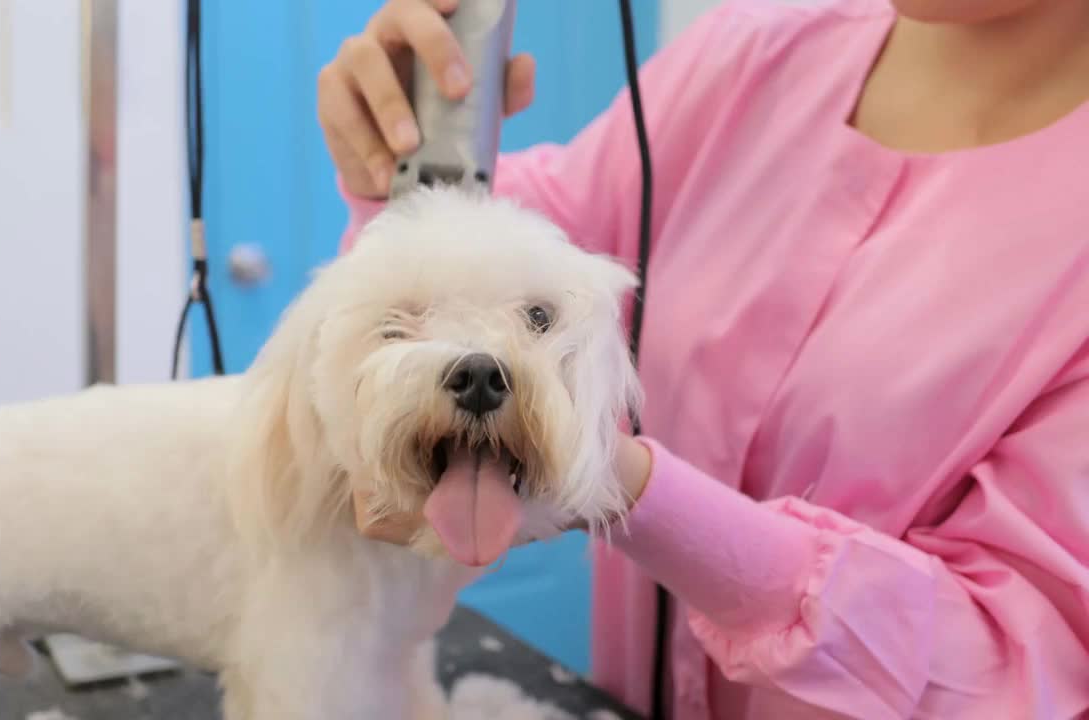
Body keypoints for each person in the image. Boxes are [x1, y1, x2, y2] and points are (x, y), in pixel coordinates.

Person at [315, 0, 1089, 717]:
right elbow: (526, 239)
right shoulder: (750, 53)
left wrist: (627, 488)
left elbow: (1018, 665)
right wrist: (400, 182)